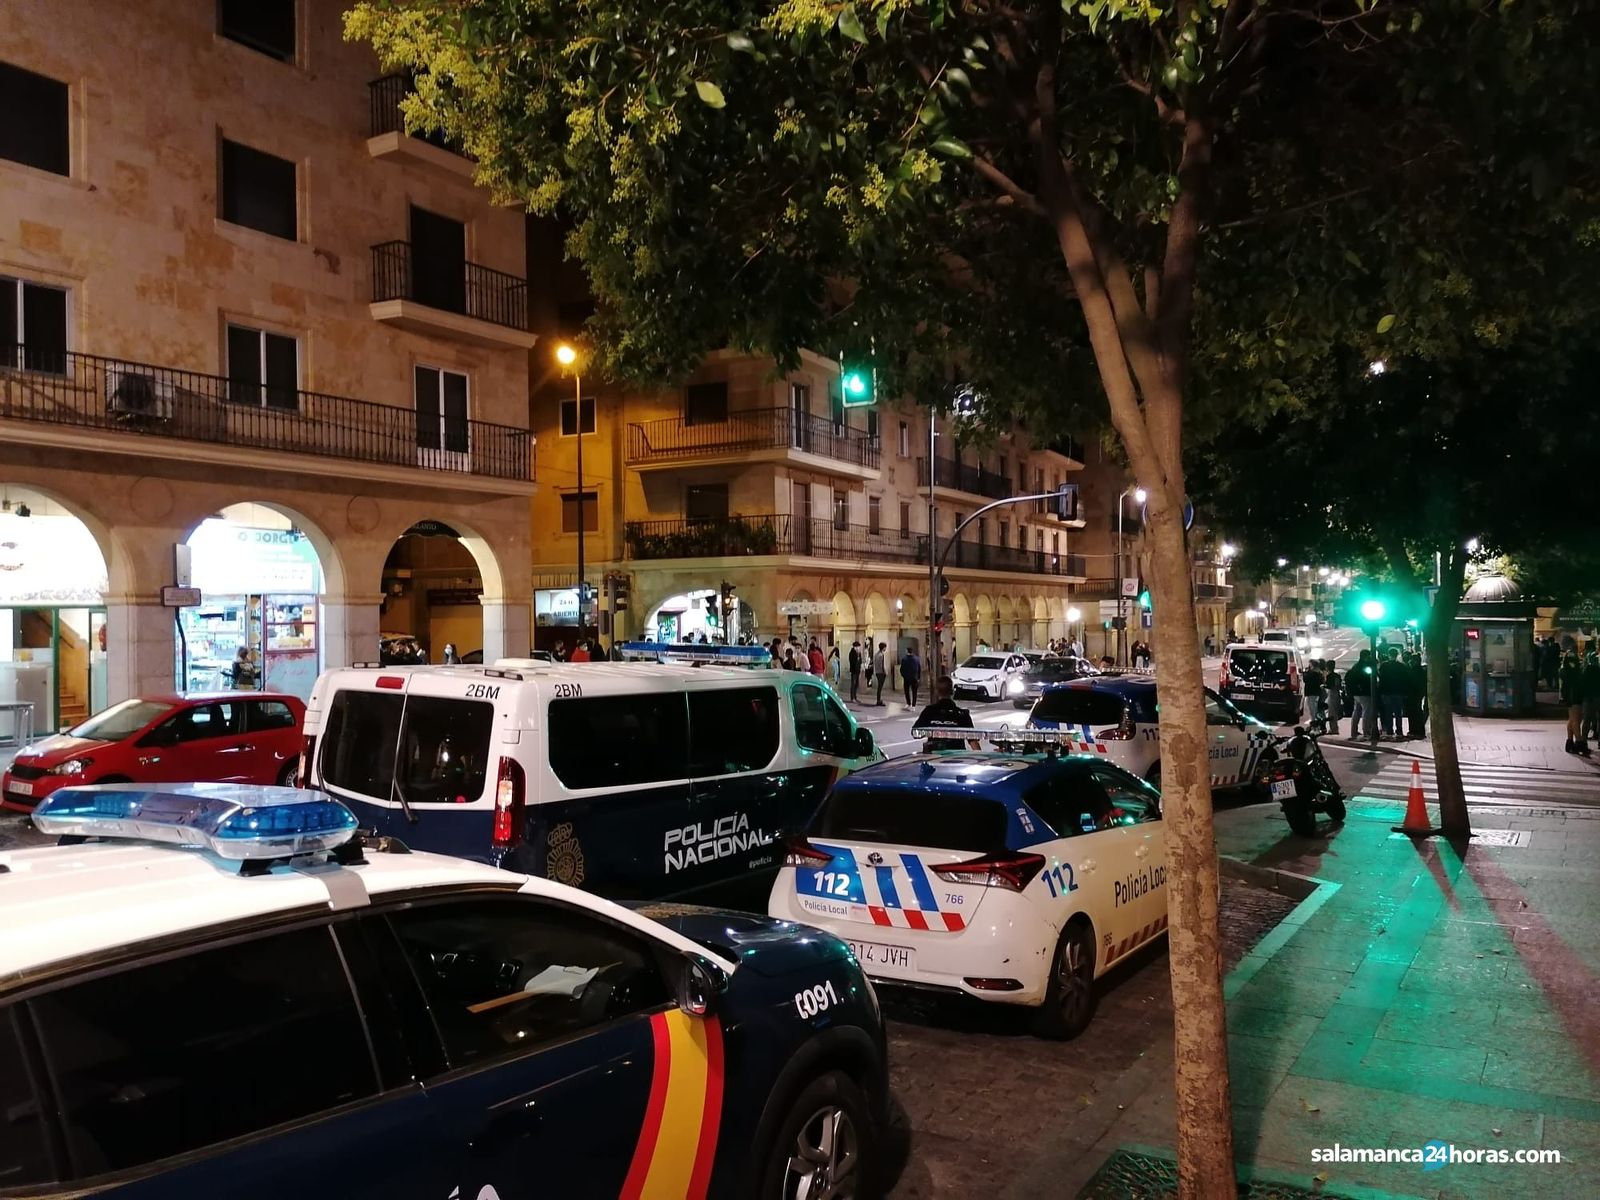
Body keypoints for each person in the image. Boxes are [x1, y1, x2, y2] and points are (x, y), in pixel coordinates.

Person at [916, 676, 975, 750]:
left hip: (933, 756)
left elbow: (916, 733)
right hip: (956, 757)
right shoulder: (962, 714)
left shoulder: (928, 712)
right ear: (952, 691)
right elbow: (973, 741)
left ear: (937, 691)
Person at [1560, 651, 1587, 755]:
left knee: (1572, 719)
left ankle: (1570, 741)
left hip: (1569, 696)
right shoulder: (1574, 670)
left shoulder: (1564, 669)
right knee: (1576, 720)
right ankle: (1579, 742)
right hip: (1575, 696)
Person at [1377, 647, 1407, 740]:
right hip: (1398, 691)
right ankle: (1399, 730)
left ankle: (1390, 730)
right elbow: (1405, 680)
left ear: (1389, 655)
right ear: (1397, 655)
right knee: (1398, 712)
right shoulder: (1402, 666)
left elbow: (1381, 678)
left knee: (1388, 712)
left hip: (1387, 692)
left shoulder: (1384, 666)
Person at [1349, 649, 1377, 740]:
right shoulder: (1365, 666)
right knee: (1366, 712)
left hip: (1356, 692)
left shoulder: (1356, 666)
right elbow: (1368, 678)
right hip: (1365, 692)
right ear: (1366, 656)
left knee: (1356, 712)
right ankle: (1366, 731)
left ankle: (1354, 731)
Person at [1404, 652, 1427, 739]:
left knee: (1413, 713)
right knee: (1417, 712)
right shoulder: (1421, 671)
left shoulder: (1413, 671)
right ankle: (1418, 731)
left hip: (1412, 695)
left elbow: (1410, 683)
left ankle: (1414, 731)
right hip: (1418, 694)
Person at [1302, 658, 1324, 729]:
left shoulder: (1313, 673)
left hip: (1312, 692)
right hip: (1315, 692)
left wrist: (1305, 673)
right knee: (1312, 705)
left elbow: (1306, 679)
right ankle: (1314, 720)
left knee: (1312, 707)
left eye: (1310, 664)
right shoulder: (1318, 672)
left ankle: (1314, 721)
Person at [1584, 652, 1600, 747]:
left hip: (1588, 698)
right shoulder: (1598, 670)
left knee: (1587, 720)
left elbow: (1583, 683)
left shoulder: (1586, 670)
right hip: (1598, 696)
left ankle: (1583, 740)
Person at [1323, 659, 1342, 737]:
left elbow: (1329, 685)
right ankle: (1335, 727)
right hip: (1337, 693)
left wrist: (1323, 686)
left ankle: (1334, 728)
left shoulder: (1329, 676)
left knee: (1332, 712)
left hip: (1332, 693)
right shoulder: (1337, 675)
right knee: (1335, 711)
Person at [872, 641, 888, 706]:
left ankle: (878, 700)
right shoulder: (881, 655)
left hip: (877, 672)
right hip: (881, 672)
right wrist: (885, 672)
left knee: (879, 687)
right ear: (883, 648)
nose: (885, 648)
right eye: (885, 647)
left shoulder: (876, 654)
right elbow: (882, 664)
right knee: (880, 687)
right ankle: (878, 700)